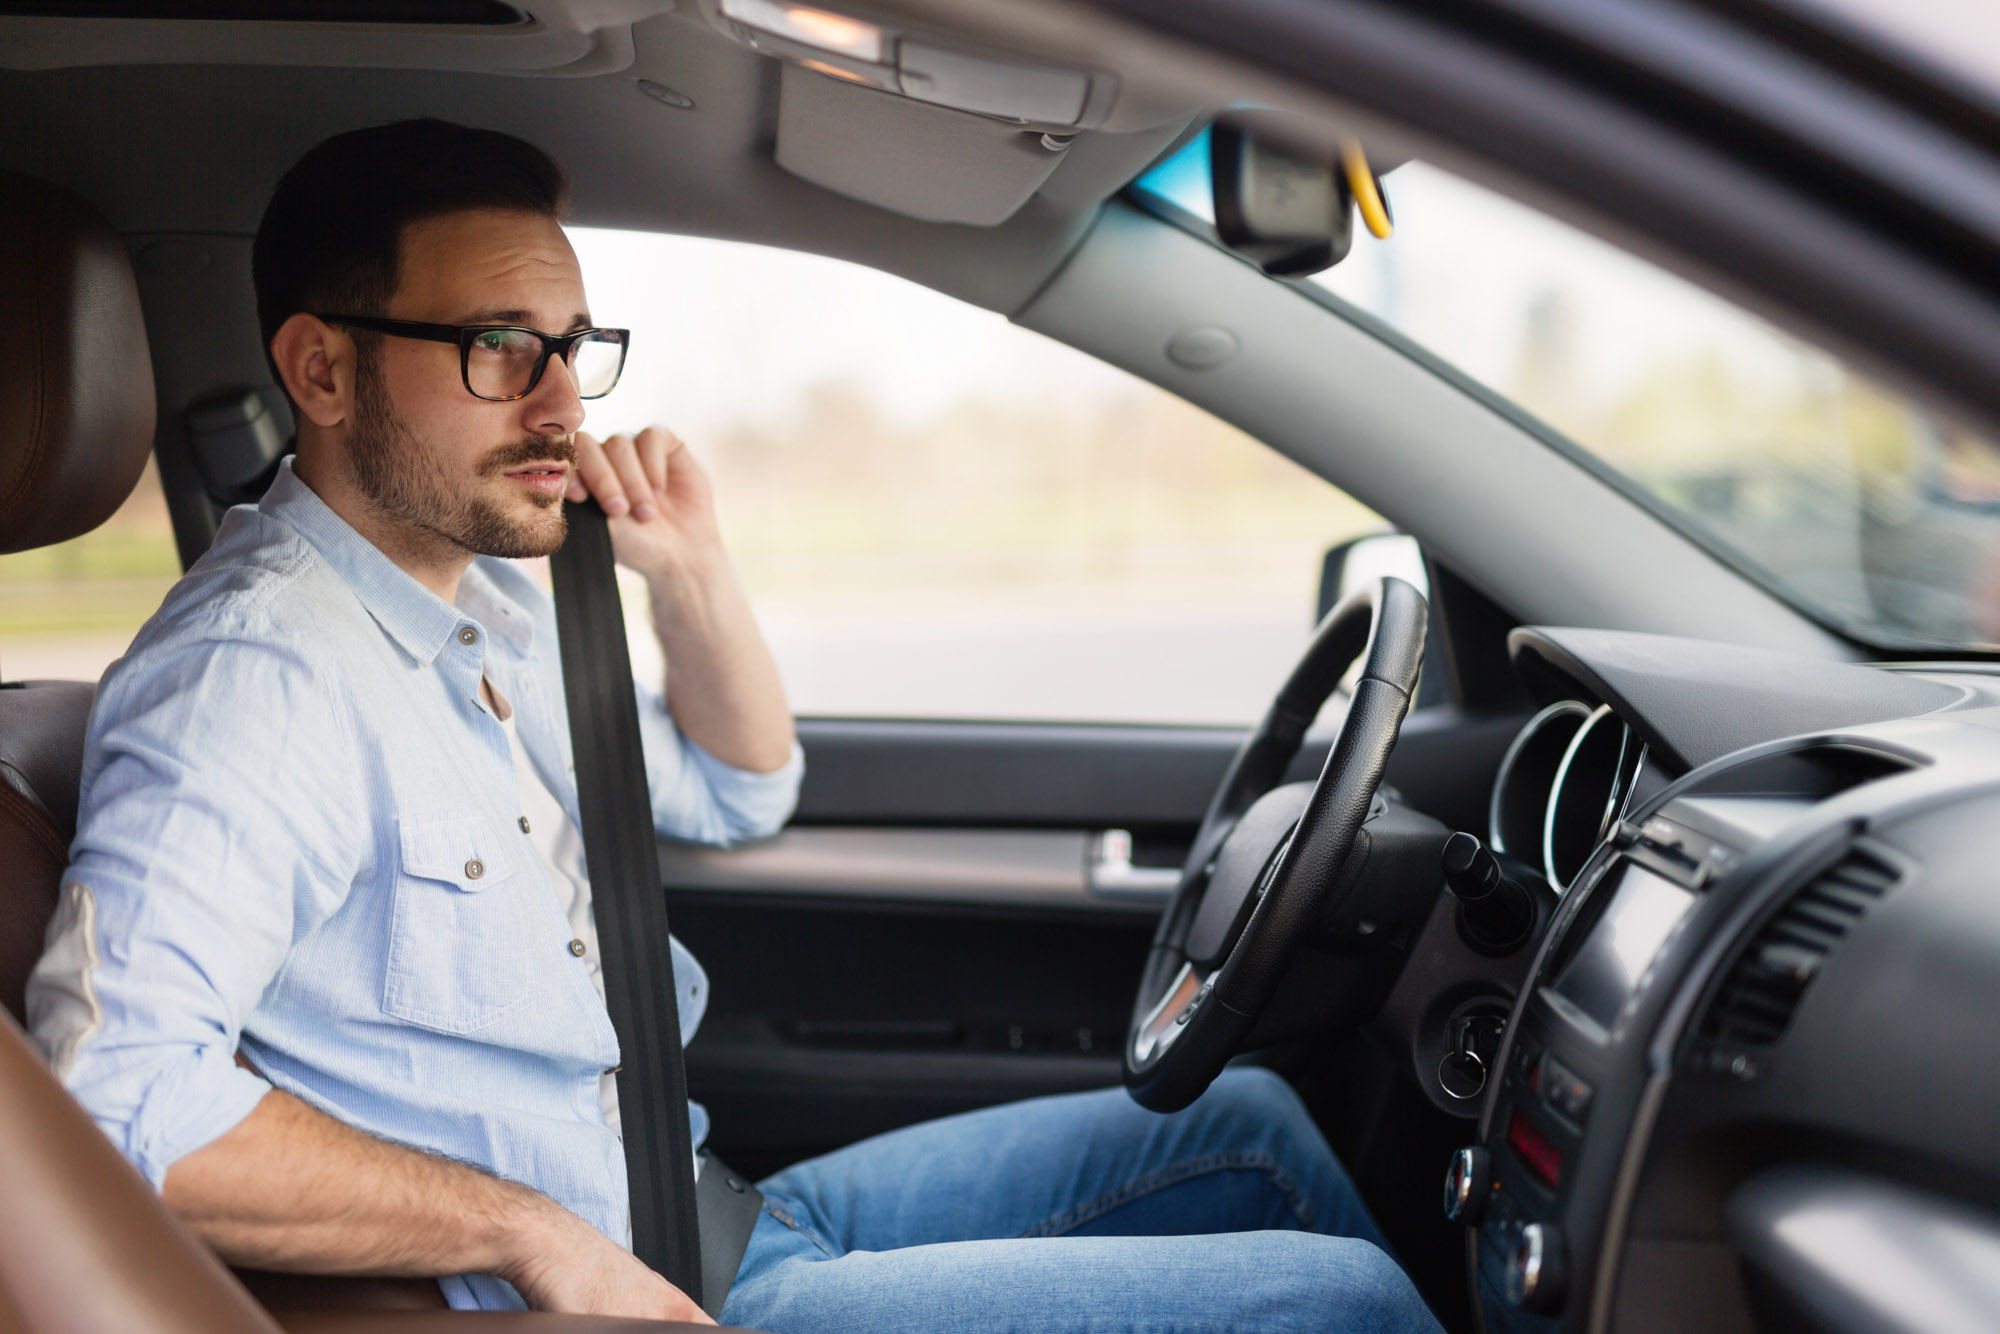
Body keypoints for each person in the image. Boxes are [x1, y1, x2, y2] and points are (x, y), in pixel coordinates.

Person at [27, 119, 1441, 1333]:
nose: (566, 404)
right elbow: (114, 1099)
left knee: (1243, 1125)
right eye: (503, 348)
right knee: (1346, 1307)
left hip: (710, 1213)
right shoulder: (257, 678)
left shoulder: (457, 622)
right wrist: (525, 1231)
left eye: (576, 349)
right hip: (623, 1290)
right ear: (322, 374)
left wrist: (690, 570)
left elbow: (739, 783)